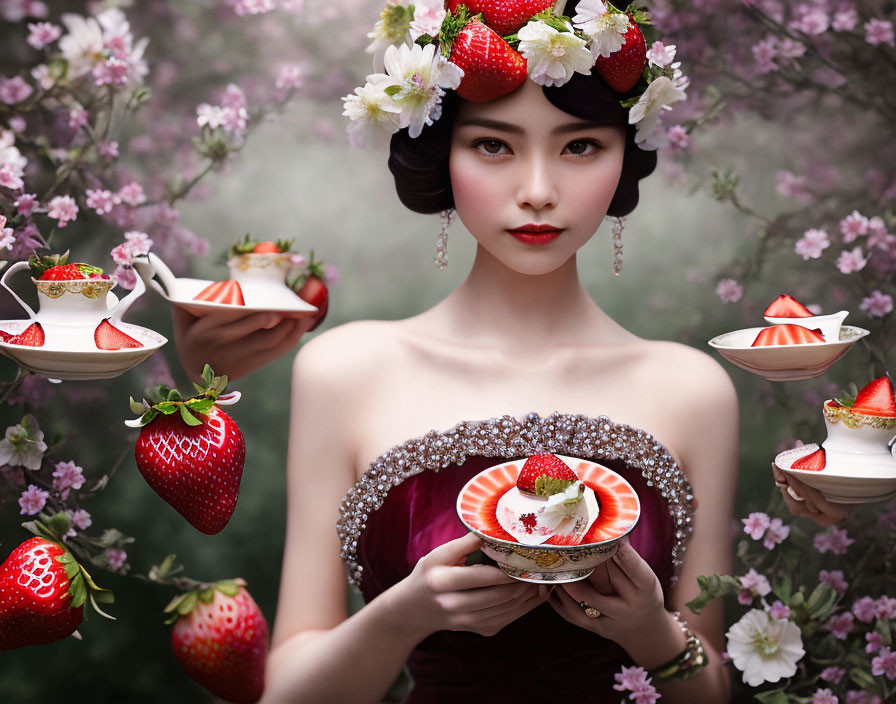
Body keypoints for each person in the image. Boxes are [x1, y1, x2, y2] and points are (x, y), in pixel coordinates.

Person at [260, 5, 736, 702]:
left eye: (579, 147)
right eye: (494, 145)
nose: (538, 192)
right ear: (440, 154)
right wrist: (399, 617)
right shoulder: (346, 371)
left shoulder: (693, 389)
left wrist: (650, 632)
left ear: (623, 158)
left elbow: (714, 691)